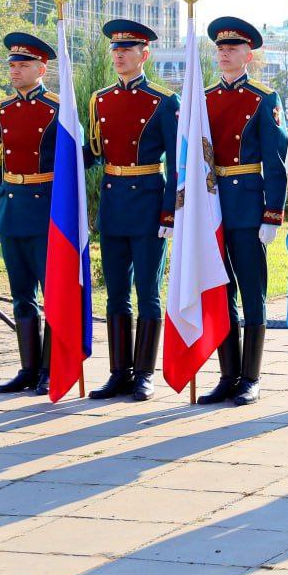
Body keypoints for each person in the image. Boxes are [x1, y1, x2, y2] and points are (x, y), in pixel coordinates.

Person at [85, 20, 180, 402]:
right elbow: (91, 155)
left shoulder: (163, 100)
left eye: (127, 49)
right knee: (116, 294)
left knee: (148, 291)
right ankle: (118, 372)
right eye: (115, 49)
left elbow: (177, 163)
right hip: (113, 201)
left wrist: (170, 211)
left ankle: (144, 373)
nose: (119, 54)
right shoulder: (100, 100)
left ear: (145, 54)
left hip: (147, 203)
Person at [196, 16, 288, 406]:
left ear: (249, 54)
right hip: (214, 208)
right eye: (220, 48)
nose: (225, 53)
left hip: (249, 206)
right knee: (221, 293)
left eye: (232, 48)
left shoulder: (263, 98)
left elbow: (276, 161)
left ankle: (251, 377)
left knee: (253, 293)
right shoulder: (203, 98)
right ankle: (227, 375)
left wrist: (272, 213)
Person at [0, 32, 59, 395]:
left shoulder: (59, 109)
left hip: (45, 211)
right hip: (12, 209)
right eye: (12, 65)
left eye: (23, 65)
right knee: (20, 294)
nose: (15, 71)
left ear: (41, 67)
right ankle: (28, 368)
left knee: (52, 294)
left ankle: (50, 369)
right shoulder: (2, 110)